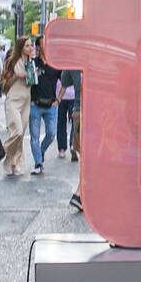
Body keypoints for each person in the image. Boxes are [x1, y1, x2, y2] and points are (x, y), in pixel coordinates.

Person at [0, 36, 34, 177]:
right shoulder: (12, 62)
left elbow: (32, 82)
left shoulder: (31, 63)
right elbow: (4, 85)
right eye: (27, 46)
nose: (30, 48)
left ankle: (14, 162)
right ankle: (4, 151)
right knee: (17, 132)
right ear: (21, 47)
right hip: (13, 100)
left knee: (20, 136)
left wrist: (33, 74)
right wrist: (16, 76)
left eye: (31, 46)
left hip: (26, 100)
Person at [29, 37, 61, 175]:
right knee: (34, 136)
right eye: (43, 44)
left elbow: (66, 80)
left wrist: (58, 99)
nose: (46, 45)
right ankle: (38, 163)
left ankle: (41, 151)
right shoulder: (33, 63)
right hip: (35, 104)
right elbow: (28, 81)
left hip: (51, 104)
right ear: (37, 47)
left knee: (51, 133)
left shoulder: (55, 63)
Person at [61, 69, 83, 209]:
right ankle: (80, 194)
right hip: (87, 111)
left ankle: (81, 194)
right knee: (88, 157)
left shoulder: (75, 60)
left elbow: (64, 80)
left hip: (80, 111)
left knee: (86, 157)